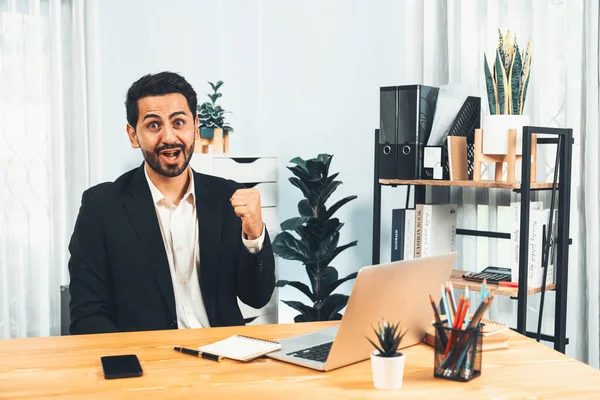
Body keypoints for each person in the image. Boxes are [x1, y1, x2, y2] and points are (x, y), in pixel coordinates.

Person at [68, 71, 275, 335]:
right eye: (154, 125)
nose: (168, 137)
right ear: (133, 135)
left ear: (195, 127)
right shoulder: (101, 207)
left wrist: (254, 234)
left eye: (178, 122)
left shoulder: (227, 197)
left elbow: (256, 297)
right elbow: (87, 316)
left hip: (225, 358)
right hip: (149, 363)